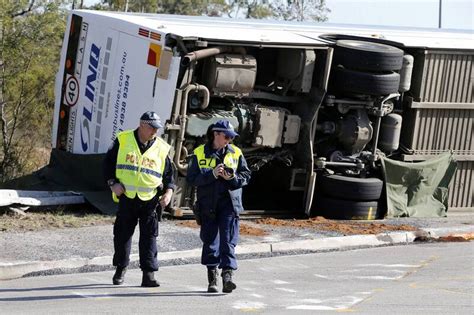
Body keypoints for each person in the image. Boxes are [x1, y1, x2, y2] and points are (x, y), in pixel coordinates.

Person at [103, 111, 175, 287]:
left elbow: (169, 177)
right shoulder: (123, 140)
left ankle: (148, 275)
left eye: (157, 128)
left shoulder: (161, 147)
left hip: (150, 200)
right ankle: (120, 270)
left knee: (149, 237)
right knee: (122, 236)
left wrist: (169, 193)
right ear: (142, 124)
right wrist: (113, 183)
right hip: (127, 197)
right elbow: (107, 164)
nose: (154, 132)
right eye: (152, 127)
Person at [186, 120, 251, 293]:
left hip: (229, 203)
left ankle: (228, 276)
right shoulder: (199, 153)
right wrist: (212, 174)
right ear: (216, 134)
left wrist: (232, 178)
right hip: (208, 203)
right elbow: (192, 179)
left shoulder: (236, 152)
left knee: (228, 240)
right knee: (210, 240)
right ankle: (212, 277)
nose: (229, 140)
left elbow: (246, 176)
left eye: (231, 137)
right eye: (226, 136)